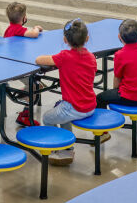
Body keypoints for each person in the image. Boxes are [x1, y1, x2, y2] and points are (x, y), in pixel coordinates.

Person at [33, 19, 97, 165]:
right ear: (87, 39)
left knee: (48, 118)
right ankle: (67, 147)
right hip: (91, 105)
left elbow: (39, 60)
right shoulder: (92, 57)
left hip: (73, 108)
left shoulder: (64, 57)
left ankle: (61, 149)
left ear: (65, 40)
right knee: (61, 109)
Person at [97, 18, 137, 108]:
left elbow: (117, 79)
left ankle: (106, 121)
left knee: (99, 98)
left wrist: (115, 92)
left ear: (119, 37)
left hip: (131, 98)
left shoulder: (120, 54)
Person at [5, 1, 44, 127]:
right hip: (16, 69)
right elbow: (33, 34)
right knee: (37, 87)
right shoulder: (17, 29)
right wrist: (36, 28)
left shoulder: (9, 29)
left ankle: (23, 94)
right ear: (23, 18)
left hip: (15, 65)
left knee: (37, 85)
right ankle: (24, 115)